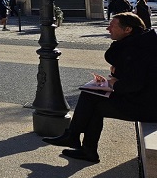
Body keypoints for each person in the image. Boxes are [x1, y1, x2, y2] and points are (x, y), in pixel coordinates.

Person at [42, 12, 157, 163]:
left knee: (93, 103)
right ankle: (81, 144)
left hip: (148, 107)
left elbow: (132, 84)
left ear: (128, 29)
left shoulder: (138, 50)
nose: (108, 29)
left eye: (112, 26)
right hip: (144, 99)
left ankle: (77, 140)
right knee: (91, 96)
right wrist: (115, 76)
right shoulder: (140, 44)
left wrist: (114, 82)